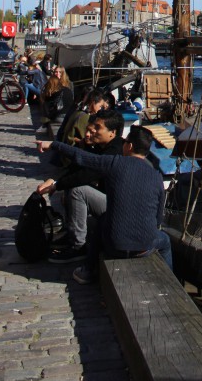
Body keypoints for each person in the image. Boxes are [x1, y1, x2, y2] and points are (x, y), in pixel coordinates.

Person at [45, 124, 171, 284]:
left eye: (125, 143)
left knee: (104, 220)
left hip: (114, 245)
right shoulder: (156, 176)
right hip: (144, 247)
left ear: (129, 146)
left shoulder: (115, 163)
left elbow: (80, 156)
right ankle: (168, 281)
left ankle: (88, 270)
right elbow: (158, 218)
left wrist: (53, 144)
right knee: (165, 241)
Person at [37, 109, 125, 264]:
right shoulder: (101, 146)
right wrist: (55, 181)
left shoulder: (115, 150)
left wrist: (57, 185)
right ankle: (71, 233)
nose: (93, 132)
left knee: (77, 190)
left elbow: (89, 173)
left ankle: (79, 246)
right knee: (70, 187)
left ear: (112, 132)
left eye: (98, 128)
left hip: (118, 207)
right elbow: (78, 166)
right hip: (109, 199)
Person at [40, 67, 74, 139]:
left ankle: (45, 123)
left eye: (60, 72)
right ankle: (45, 122)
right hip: (58, 110)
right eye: (56, 72)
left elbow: (71, 98)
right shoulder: (51, 82)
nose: (57, 74)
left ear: (63, 74)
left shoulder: (69, 84)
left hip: (62, 111)